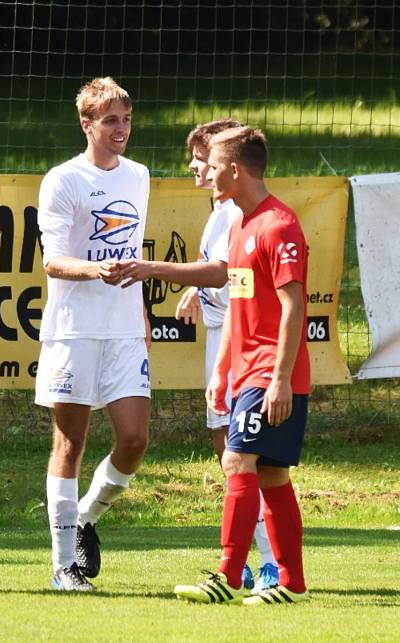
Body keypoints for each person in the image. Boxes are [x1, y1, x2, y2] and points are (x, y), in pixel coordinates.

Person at [116, 119, 279, 593]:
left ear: (227, 165)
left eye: (201, 157)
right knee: (226, 448)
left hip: (243, 343)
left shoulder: (236, 211)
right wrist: (198, 295)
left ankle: (270, 560)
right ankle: (246, 557)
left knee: (247, 455)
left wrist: (153, 269)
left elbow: (224, 272)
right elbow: (225, 278)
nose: (193, 165)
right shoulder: (220, 210)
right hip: (222, 338)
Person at [172, 126, 311, 605]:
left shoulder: (279, 225)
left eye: (210, 166)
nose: (205, 174)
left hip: (272, 370)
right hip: (247, 371)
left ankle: (228, 576)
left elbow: (295, 307)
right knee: (271, 474)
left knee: (237, 460)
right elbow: (238, 303)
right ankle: (291, 584)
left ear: (234, 170)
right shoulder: (239, 227)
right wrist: (220, 372)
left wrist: (278, 379)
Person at [35, 77, 151, 592]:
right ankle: (63, 565)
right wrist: (95, 271)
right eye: (110, 120)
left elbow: (132, 247)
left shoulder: (140, 176)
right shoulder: (63, 180)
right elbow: (53, 261)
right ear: (87, 125)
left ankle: (84, 517)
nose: (121, 129)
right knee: (71, 440)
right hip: (74, 328)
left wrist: (142, 311)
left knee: (134, 439)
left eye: (126, 119)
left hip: (125, 328)